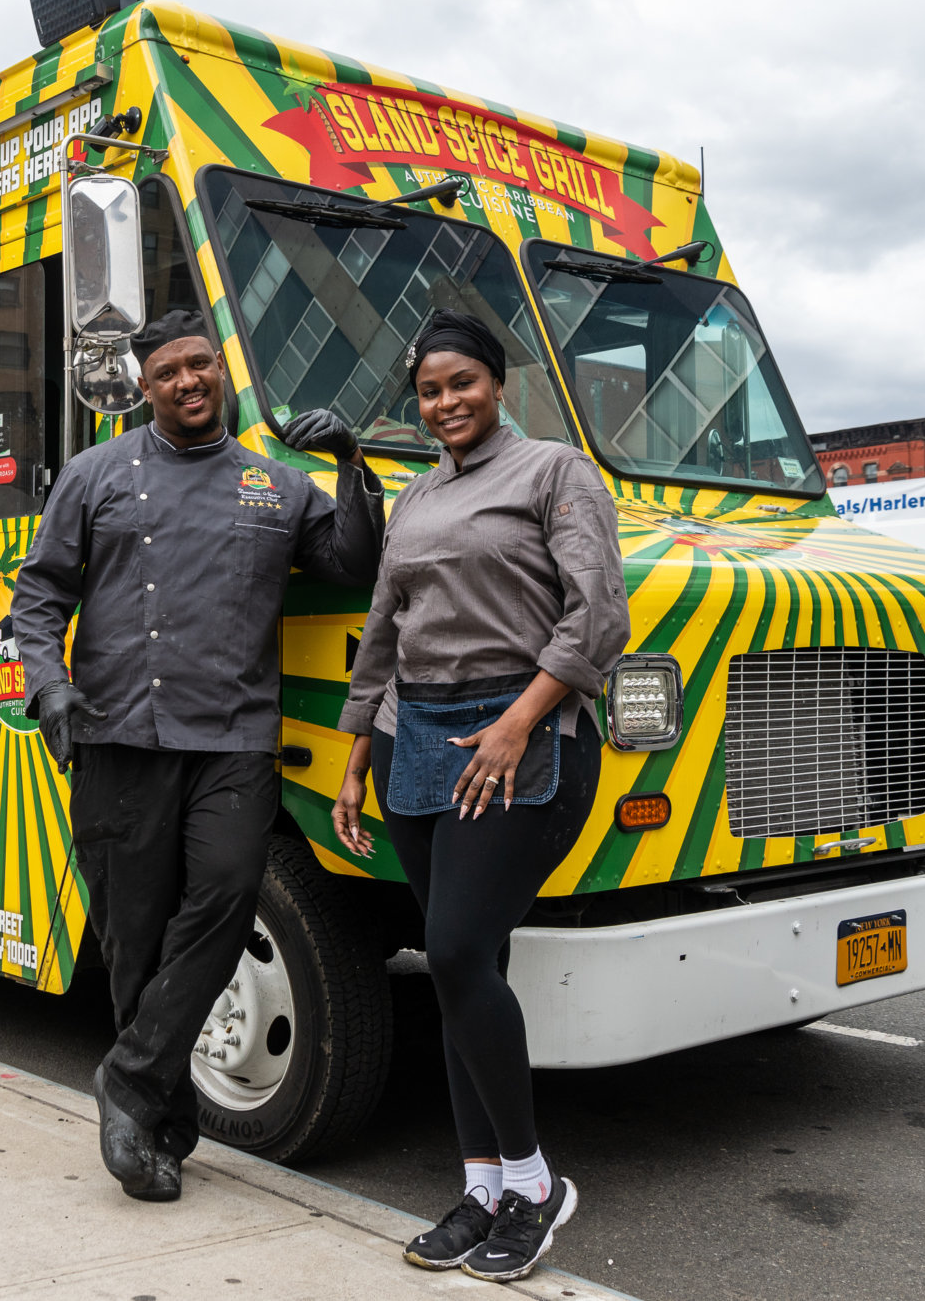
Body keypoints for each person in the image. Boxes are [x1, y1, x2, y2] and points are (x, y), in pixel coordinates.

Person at [10, 309, 384, 1202]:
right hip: (116, 735)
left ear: (222, 372)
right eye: (169, 370)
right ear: (143, 387)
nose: (189, 381)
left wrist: (350, 464)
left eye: (201, 365)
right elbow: (39, 595)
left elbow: (355, 560)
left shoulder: (276, 486)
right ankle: (165, 1123)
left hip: (234, 740)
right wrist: (47, 685)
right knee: (134, 941)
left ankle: (128, 1080)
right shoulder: (96, 476)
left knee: (222, 901)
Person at [330, 309, 629, 1284]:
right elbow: (382, 629)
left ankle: (535, 1182)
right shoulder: (413, 499)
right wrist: (350, 755)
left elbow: (598, 613)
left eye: (461, 381)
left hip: (522, 730)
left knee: (456, 948)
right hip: (414, 739)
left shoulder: (551, 472)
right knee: (462, 965)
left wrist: (519, 719)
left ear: (496, 385)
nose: (445, 400)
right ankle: (482, 1184)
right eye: (428, 389)